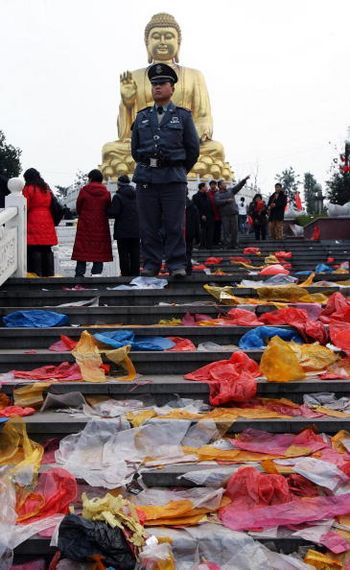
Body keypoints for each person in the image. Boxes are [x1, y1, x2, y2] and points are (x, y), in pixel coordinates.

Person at [102, 12, 232, 181]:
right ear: (147, 43)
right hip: (146, 146)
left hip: (180, 144)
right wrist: (127, 103)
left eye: (168, 36)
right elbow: (126, 135)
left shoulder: (194, 76)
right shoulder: (134, 76)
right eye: (156, 37)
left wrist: (191, 136)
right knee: (109, 150)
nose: (162, 41)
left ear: (178, 43)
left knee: (216, 149)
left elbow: (203, 117)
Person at [131, 62, 199, 278]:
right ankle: (150, 264)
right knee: (148, 225)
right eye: (154, 84)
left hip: (173, 179)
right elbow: (135, 150)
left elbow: (193, 149)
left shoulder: (183, 116)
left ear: (172, 88)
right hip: (146, 178)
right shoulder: (141, 116)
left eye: (162, 83)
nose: (157, 87)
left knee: (174, 224)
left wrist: (177, 169)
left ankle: (176, 264)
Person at [71, 169, 112, 277]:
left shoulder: (84, 191)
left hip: (85, 224)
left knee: (82, 249)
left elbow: (79, 207)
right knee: (99, 250)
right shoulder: (106, 193)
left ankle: (79, 274)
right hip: (101, 225)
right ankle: (96, 274)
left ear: (91, 178)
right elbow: (108, 208)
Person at [22, 168, 57, 277]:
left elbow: (25, 205)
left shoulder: (28, 188)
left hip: (33, 218)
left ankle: (37, 273)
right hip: (47, 218)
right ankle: (49, 273)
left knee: (34, 246)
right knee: (47, 247)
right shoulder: (45, 187)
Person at [108, 175, 140, 276]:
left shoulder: (118, 197)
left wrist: (107, 210)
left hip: (122, 231)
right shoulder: (137, 195)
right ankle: (135, 274)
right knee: (135, 254)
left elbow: (113, 212)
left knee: (123, 254)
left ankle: (125, 275)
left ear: (119, 185)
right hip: (136, 231)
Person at [215, 176, 250, 248]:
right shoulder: (217, 194)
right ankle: (226, 244)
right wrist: (226, 201)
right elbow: (217, 202)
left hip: (233, 213)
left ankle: (235, 244)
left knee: (235, 230)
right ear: (220, 186)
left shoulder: (230, 190)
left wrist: (244, 180)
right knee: (226, 231)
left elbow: (238, 186)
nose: (225, 184)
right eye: (223, 183)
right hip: (225, 215)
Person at [192, 182, 214, 249]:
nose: (207, 188)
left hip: (209, 216)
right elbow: (196, 207)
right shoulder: (196, 196)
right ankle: (201, 245)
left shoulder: (207, 196)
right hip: (201, 217)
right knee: (202, 231)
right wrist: (201, 215)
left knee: (209, 231)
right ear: (202, 187)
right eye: (206, 187)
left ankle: (209, 245)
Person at [185, 191, 200, 275]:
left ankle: (181, 268)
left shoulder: (172, 204)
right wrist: (198, 237)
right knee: (188, 252)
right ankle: (187, 268)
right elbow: (196, 223)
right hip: (189, 233)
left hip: (177, 233)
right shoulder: (193, 206)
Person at [207, 179, 221, 245]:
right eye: (212, 184)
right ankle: (211, 240)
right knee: (211, 228)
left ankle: (217, 241)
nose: (213, 186)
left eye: (214, 184)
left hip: (218, 213)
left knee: (218, 228)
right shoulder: (207, 193)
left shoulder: (219, 192)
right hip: (210, 213)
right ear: (210, 185)